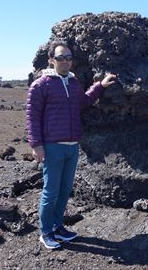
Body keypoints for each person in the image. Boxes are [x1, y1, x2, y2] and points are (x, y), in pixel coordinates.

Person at [26, 40, 116, 249]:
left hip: (72, 145)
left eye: (68, 57)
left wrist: (100, 86)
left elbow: (83, 102)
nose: (65, 61)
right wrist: (36, 144)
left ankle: (58, 227)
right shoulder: (41, 84)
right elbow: (32, 116)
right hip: (52, 146)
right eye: (60, 57)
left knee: (65, 189)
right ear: (51, 60)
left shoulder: (73, 83)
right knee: (51, 191)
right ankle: (45, 231)